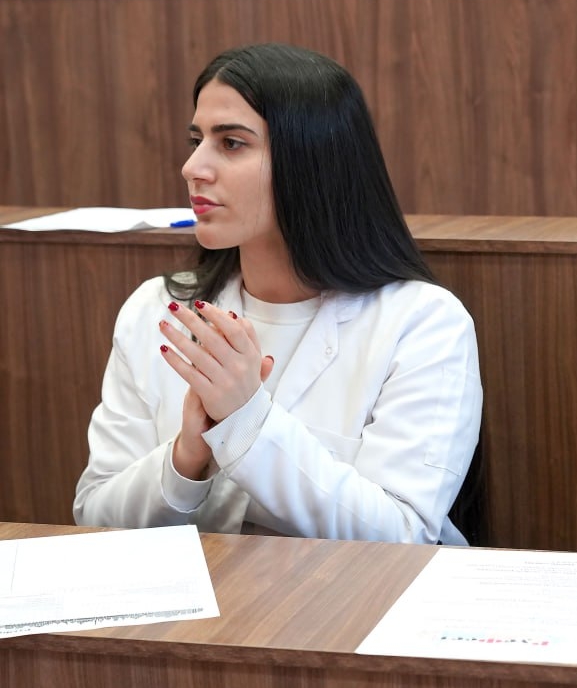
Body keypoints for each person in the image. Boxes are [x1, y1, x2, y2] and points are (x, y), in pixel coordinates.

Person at [75, 43, 482, 544]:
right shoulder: (157, 310)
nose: (192, 167)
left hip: (354, 596)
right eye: (196, 139)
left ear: (311, 161)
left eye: (231, 143)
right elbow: (95, 514)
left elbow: (404, 536)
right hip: (199, 595)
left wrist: (246, 421)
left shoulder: (424, 323)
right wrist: (185, 459)